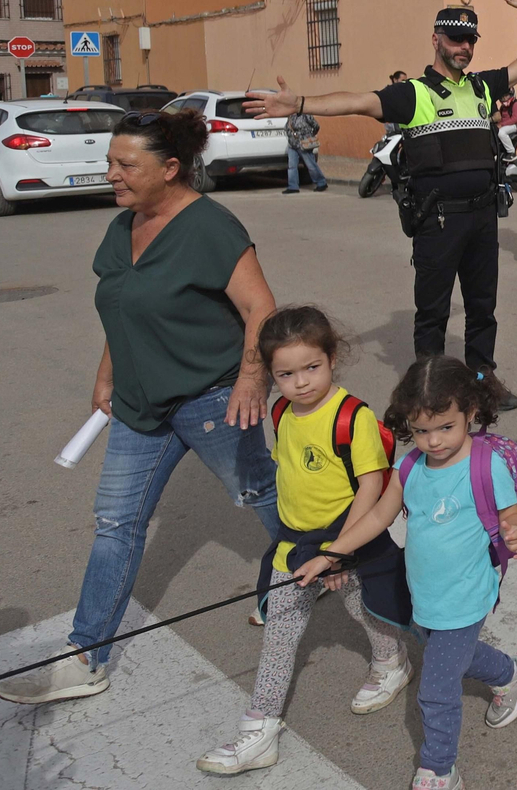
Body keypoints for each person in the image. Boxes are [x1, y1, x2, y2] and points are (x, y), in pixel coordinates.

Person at [0, 111, 283, 706]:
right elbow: (122, 308)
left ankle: (324, 560)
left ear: (170, 168)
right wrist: (107, 376)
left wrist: (251, 380)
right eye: (111, 162)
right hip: (138, 403)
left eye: (127, 165)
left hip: (210, 397)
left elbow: (262, 309)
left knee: (260, 496)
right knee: (115, 524)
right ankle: (86, 656)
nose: (113, 174)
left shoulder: (211, 227)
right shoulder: (123, 227)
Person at [244, 0, 517, 410]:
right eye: (456, 39)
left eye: (470, 40)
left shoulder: (481, 87)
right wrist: (302, 102)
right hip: (438, 221)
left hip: (482, 218)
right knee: (433, 311)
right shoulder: (413, 94)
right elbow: (357, 102)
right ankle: (430, 384)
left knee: (482, 308)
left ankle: (481, 376)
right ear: (436, 39)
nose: (464, 48)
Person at [294, 356, 517, 790]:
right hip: (425, 595)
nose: (433, 440)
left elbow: (511, 514)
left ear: (471, 414)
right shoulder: (409, 467)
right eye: (422, 430)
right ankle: (511, 674)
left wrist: (514, 532)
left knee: (436, 690)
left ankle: (439, 769)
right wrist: (330, 555)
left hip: (466, 595)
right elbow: (376, 517)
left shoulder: (485, 465)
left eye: (446, 427)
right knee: (453, 656)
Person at [196, 307, 409, 776]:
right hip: (295, 546)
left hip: (347, 540)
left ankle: (391, 660)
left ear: (333, 357)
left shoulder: (353, 417)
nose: (301, 383)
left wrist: (339, 553)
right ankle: (261, 729)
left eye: (311, 368)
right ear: (271, 376)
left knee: (365, 608)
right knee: (279, 634)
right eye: (286, 374)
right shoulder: (280, 411)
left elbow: (371, 489)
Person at [283, 111, 330, 194]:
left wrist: (309, 136)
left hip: (304, 144)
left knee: (311, 165)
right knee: (292, 166)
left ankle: (321, 182)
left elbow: (316, 126)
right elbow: (287, 127)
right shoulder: (291, 116)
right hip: (292, 145)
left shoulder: (306, 115)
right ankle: (293, 186)